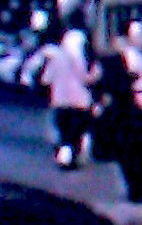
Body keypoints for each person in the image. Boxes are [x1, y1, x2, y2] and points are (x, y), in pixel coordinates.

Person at [96, 20, 142, 202]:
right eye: (137, 35)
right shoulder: (129, 57)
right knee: (134, 151)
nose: (141, 38)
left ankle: (137, 188)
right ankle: (136, 189)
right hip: (134, 107)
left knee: (136, 151)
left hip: (141, 106)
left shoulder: (139, 56)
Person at [39, 27, 100, 168]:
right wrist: (97, 72)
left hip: (59, 102)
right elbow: (86, 79)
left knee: (64, 132)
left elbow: (46, 79)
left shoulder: (57, 57)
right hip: (79, 103)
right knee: (76, 132)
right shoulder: (79, 59)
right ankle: (73, 155)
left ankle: (64, 156)